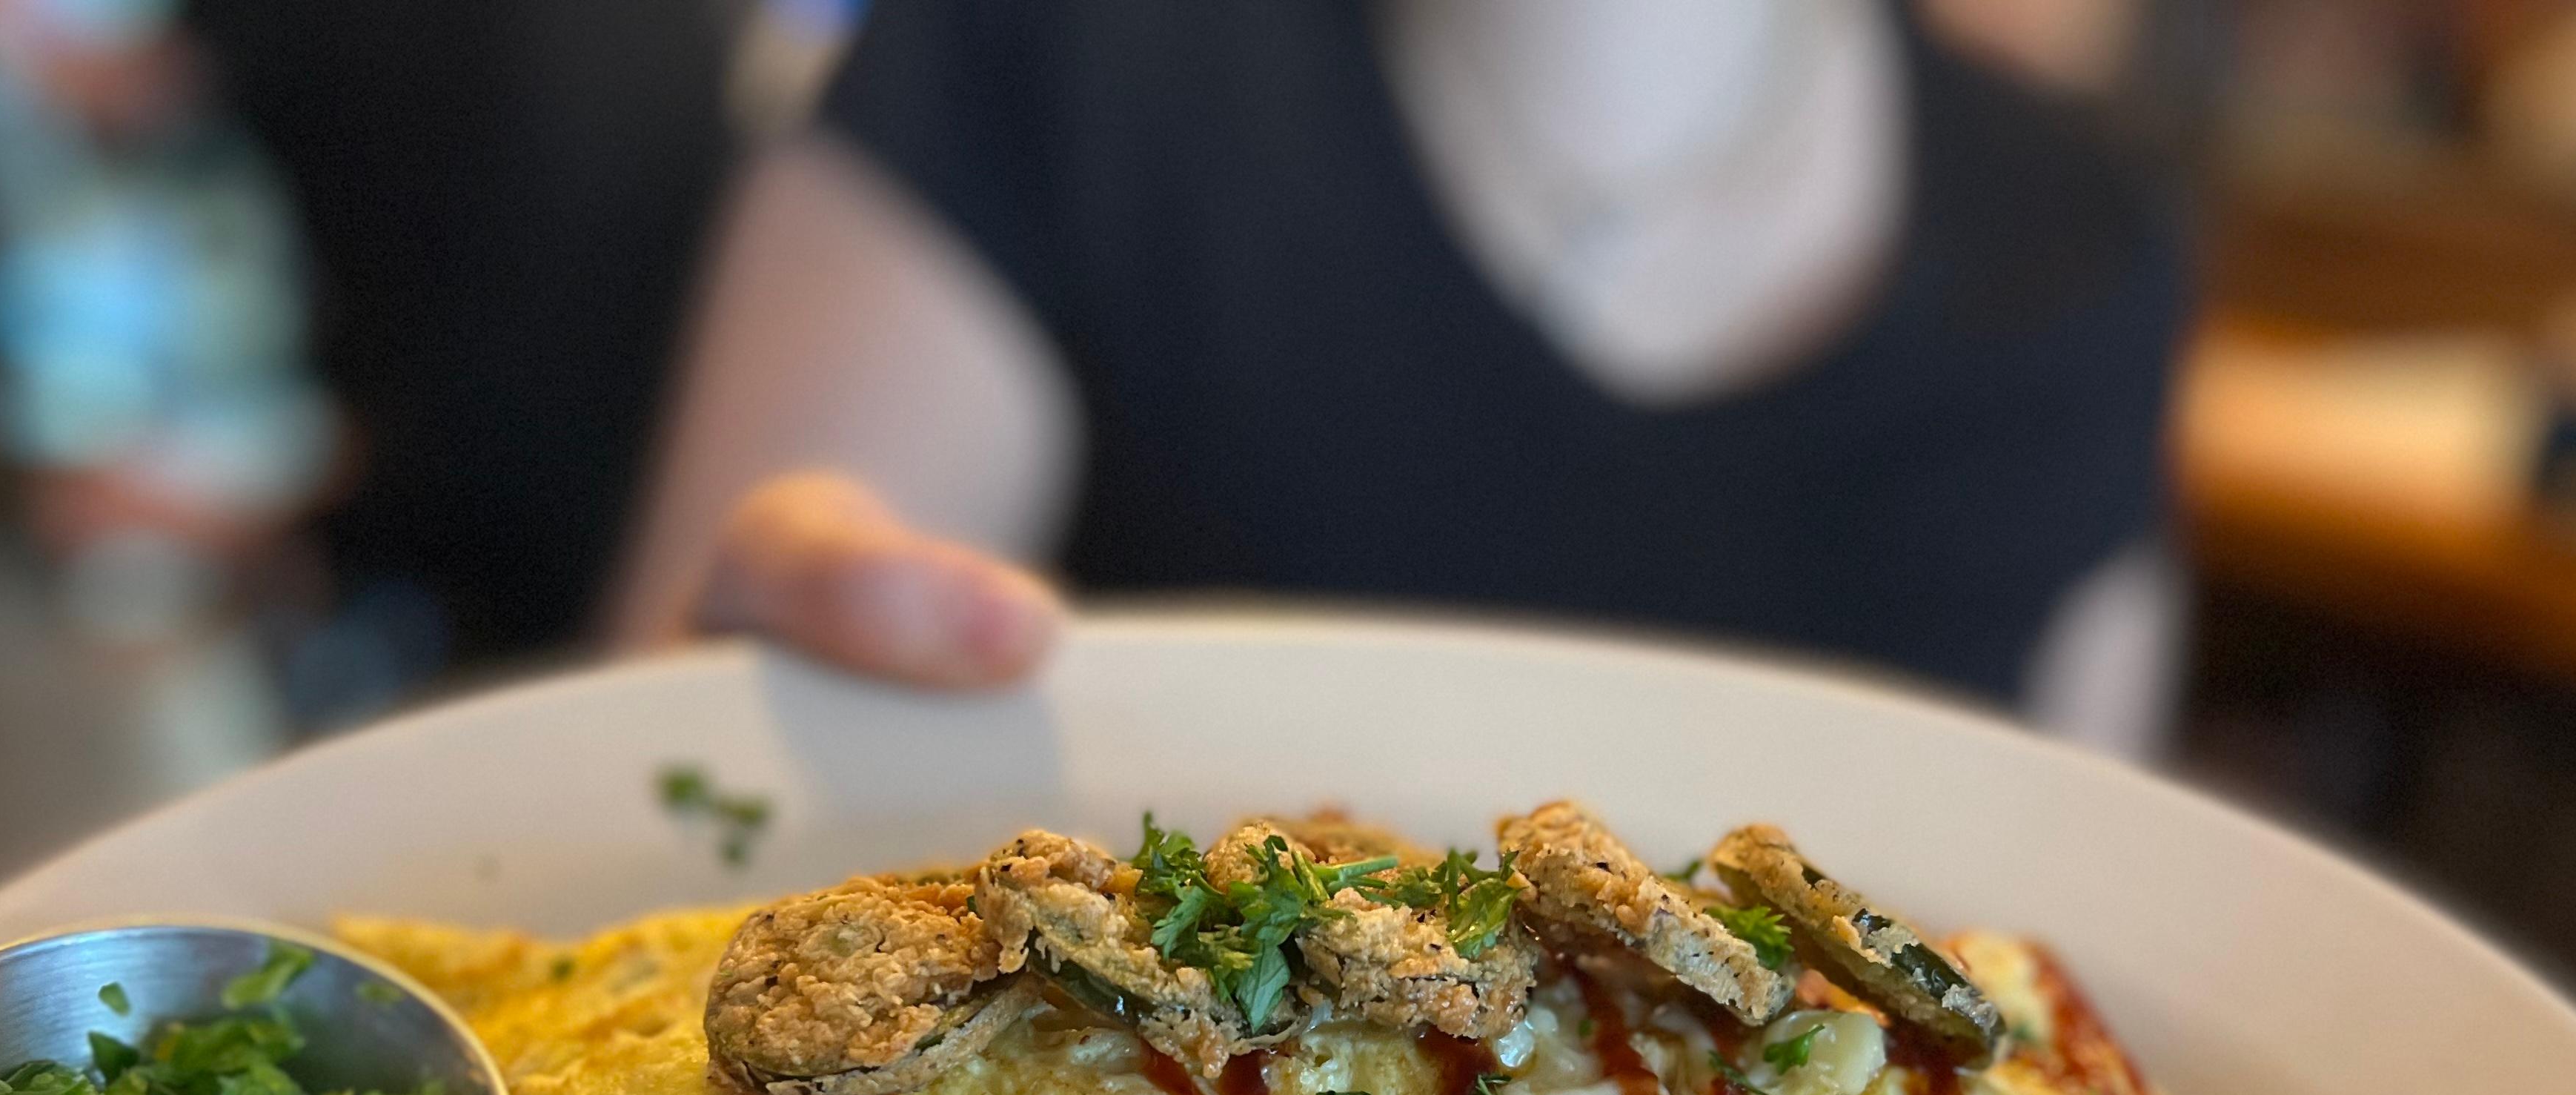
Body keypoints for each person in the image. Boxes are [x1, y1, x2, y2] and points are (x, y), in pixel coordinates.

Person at [614, 0, 2188, 752]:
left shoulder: (2090, 243)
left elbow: (2090, 946)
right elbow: (667, 756)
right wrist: (733, 725)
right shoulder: (1045, 65)